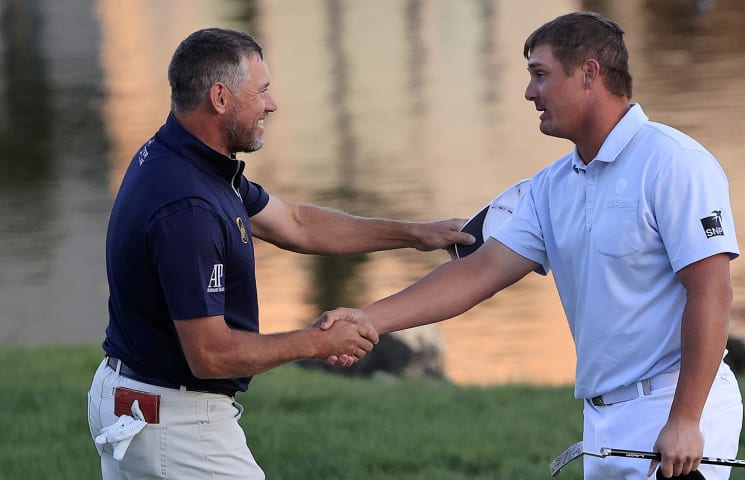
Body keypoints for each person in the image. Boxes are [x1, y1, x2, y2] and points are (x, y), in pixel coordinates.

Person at [319, 11, 743, 480]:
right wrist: (367, 320)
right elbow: (476, 274)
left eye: (540, 75)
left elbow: (712, 291)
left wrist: (685, 418)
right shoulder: (551, 186)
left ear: (588, 74)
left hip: (676, 404)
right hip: (602, 420)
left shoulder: (673, 163)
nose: (529, 93)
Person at [87, 27, 474, 479]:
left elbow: (296, 224)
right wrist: (317, 342)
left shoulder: (186, 158)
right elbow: (210, 356)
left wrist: (415, 234)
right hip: (176, 422)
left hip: (130, 397)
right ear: (220, 98)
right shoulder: (187, 207)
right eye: (262, 91)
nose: (271, 104)